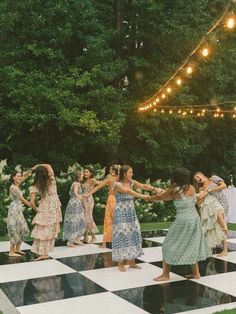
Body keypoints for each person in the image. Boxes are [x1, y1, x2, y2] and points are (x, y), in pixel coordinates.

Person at [146, 168, 212, 281]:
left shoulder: (175, 189)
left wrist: (148, 198)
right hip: (195, 220)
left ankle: (166, 275)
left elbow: (162, 197)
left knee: (167, 245)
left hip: (183, 220)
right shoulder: (191, 187)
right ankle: (196, 274)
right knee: (191, 245)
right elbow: (194, 198)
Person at [112, 164, 150, 272]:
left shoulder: (131, 182)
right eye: (130, 172)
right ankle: (121, 263)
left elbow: (143, 186)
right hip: (121, 212)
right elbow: (128, 192)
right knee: (123, 234)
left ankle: (132, 262)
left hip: (130, 211)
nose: (132, 174)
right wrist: (143, 196)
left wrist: (154, 188)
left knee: (133, 232)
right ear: (124, 173)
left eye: (132, 172)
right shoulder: (117, 184)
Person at [30, 164, 62, 261]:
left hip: (44, 207)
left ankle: (42, 252)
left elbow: (32, 202)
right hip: (54, 207)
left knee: (42, 229)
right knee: (50, 230)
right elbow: (48, 165)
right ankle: (45, 252)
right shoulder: (51, 180)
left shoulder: (36, 184)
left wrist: (37, 210)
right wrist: (37, 165)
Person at [86, 164, 120, 248]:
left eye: (110, 170)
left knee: (108, 220)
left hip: (112, 200)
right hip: (120, 200)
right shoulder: (121, 179)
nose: (109, 171)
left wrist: (89, 193)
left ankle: (104, 244)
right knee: (119, 221)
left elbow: (99, 186)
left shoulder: (110, 179)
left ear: (113, 171)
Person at [7, 168, 35, 257]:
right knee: (14, 229)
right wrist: (32, 205)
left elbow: (24, 177)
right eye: (18, 176)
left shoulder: (17, 184)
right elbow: (22, 199)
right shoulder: (13, 187)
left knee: (23, 229)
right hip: (14, 210)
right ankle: (11, 252)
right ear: (13, 177)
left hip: (18, 210)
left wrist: (31, 170)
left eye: (20, 176)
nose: (20, 178)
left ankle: (17, 248)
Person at [195, 185, 228, 257]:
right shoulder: (198, 195)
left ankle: (225, 249)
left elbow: (218, 210)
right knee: (209, 230)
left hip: (213, 210)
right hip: (206, 213)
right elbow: (198, 202)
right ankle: (211, 248)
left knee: (220, 227)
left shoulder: (211, 197)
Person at [62, 171, 87, 247]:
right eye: (82, 175)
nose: (83, 176)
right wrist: (80, 197)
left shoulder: (77, 183)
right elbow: (75, 193)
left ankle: (77, 239)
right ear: (79, 176)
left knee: (81, 220)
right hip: (74, 205)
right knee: (74, 221)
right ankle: (70, 241)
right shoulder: (76, 184)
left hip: (77, 204)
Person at [81, 167, 101, 243]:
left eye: (87, 172)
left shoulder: (92, 180)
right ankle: (85, 237)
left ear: (90, 173)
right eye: (84, 172)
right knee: (84, 218)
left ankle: (94, 237)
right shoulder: (83, 181)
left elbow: (101, 184)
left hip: (89, 200)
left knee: (88, 217)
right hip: (82, 200)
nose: (85, 173)